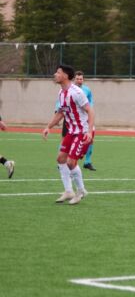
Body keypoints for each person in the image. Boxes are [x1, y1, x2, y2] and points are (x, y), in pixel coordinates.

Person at [41, 64, 95, 205]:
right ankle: (68, 191)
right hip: (71, 132)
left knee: (71, 162)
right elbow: (60, 113)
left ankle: (81, 191)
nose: (55, 74)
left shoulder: (76, 92)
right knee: (60, 159)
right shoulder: (61, 92)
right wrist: (48, 127)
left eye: (58, 72)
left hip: (82, 132)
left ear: (65, 76)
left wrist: (89, 131)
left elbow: (90, 111)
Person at [73, 71, 97, 170]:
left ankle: (87, 162)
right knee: (68, 139)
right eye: (77, 79)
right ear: (74, 79)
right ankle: (64, 161)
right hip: (73, 119)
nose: (79, 80)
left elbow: (91, 101)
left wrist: (89, 110)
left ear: (83, 80)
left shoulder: (87, 90)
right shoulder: (69, 90)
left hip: (86, 118)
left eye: (81, 79)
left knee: (90, 138)